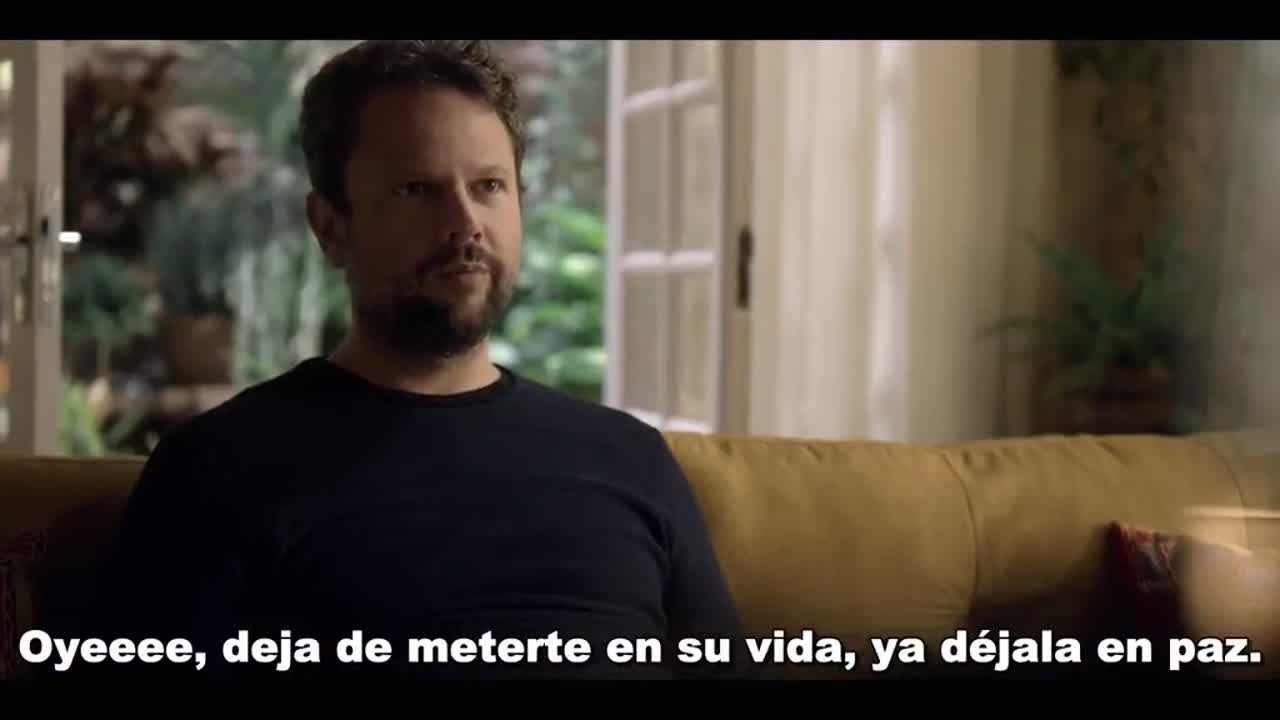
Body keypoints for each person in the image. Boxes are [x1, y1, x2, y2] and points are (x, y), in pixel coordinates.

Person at [75, 39, 745, 680]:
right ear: (331, 227)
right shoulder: (219, 470)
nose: (466, 224)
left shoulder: (631, 459)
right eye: (418, 190)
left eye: (489, 186)